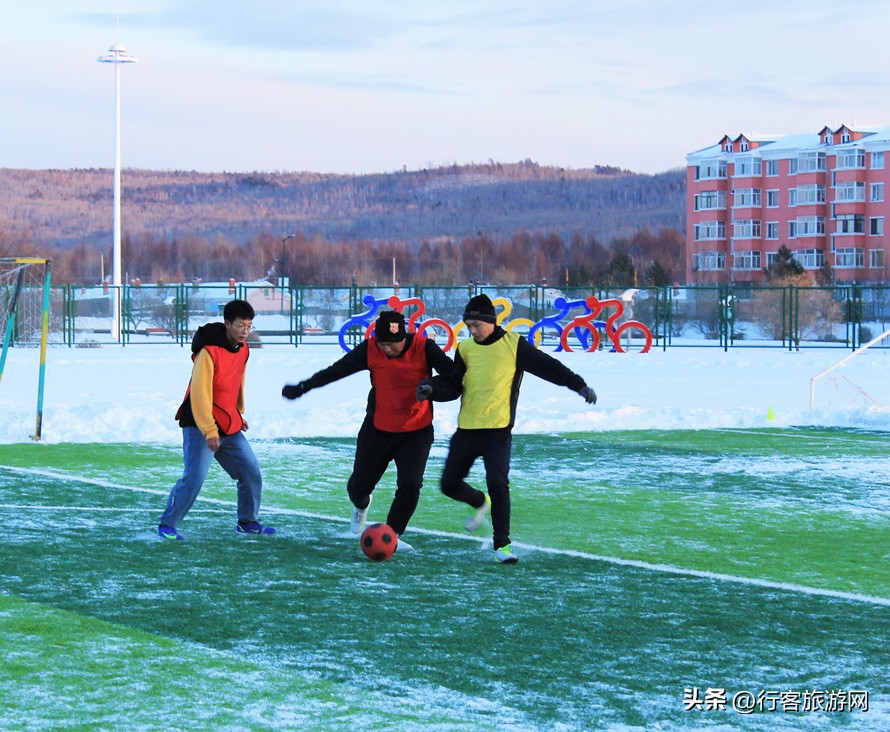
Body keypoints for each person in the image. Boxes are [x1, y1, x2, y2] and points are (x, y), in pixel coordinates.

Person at [417, 293, 597, 564]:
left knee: (498, 484)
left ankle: (502, 546)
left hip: (498, 432)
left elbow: (549, 367)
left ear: (491, 321)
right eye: (469, 326)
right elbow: (453, 385)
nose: (473, 331)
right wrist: (432, 388)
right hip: (467, 429)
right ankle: (479, 502)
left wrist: (578, 385)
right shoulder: (465, 349)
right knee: (449, 484)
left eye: (477, 325)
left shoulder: (514, 344)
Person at [282, 310, 453, 551]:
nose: (387, 349)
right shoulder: (370, 349)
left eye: (392, 344)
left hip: (416, 431)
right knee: (357, 488)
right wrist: (303, 387)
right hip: (378, 430)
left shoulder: (424, 347)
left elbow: (453, 377)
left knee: (411, 484)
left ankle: (392, 534)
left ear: (403, 337)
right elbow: (336, 371)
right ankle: (362, 505)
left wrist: (432, 387)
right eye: (383, 344)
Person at [157, 299, 274, 540]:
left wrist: (237, 412)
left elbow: (236, 381)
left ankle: (247, 521)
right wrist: (209, 430)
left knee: (251, 472)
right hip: (199, 423)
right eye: (240, 325)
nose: (245, 331)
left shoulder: (244, 349)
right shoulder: (208, 352)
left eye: (249, 326)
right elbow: (200, 393)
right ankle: (168, 525)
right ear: (227, 323)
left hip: (227, 423)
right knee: (194, 477)